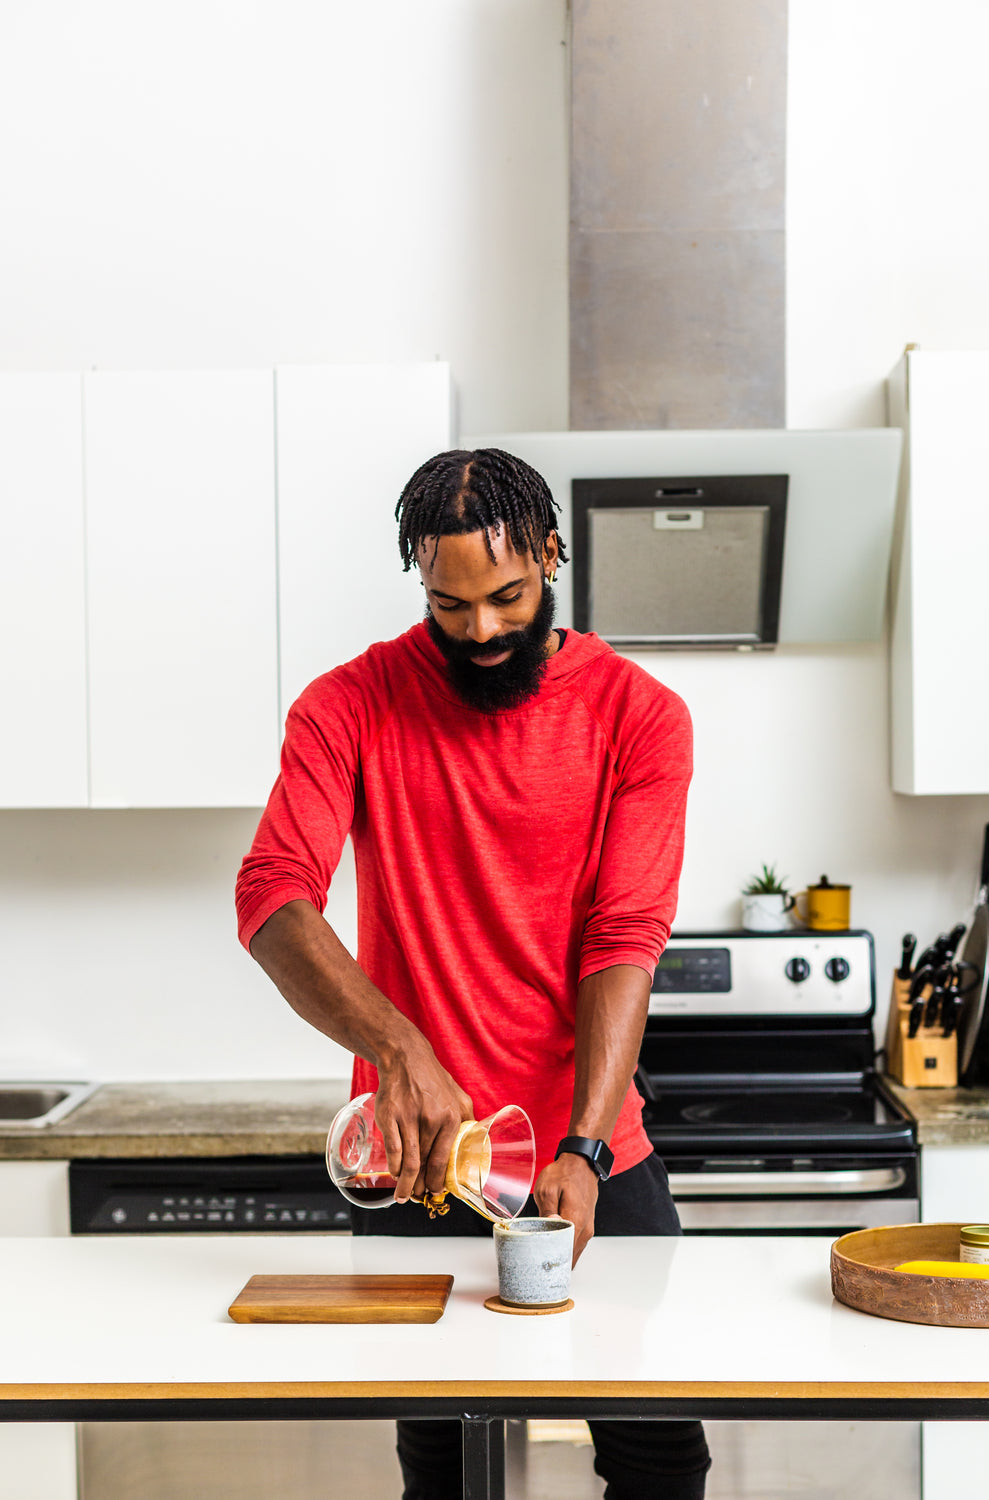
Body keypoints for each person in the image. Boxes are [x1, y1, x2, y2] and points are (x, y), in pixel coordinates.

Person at [235, 448, 711, 1500]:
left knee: (659, 1457)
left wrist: (584, 1145)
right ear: (418, 577)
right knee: (446, 1462)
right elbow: (271, 895)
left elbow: (621, 934)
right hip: (421, 1162)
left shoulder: (638, 715)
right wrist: (397, 1048)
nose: (485, 632)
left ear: (551, 555)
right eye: (452, 607)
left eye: (508, 597)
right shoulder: (347, 706)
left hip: (591, 1154)